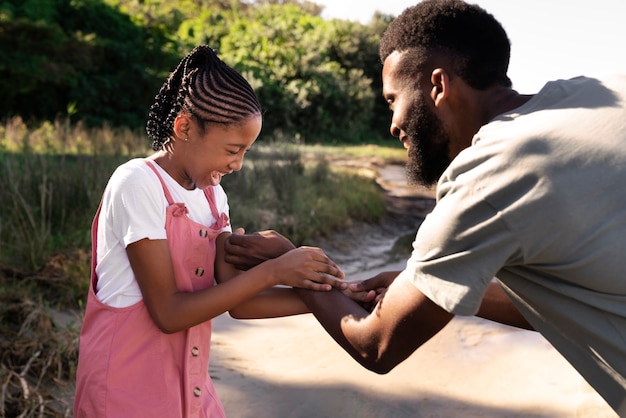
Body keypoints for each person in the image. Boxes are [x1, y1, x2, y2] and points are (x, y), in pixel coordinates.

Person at [224, 0, 626, 414]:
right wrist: (428, 283)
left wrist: (295, 265)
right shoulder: (603, 92)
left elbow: (376, 343)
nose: (393, 124)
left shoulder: (487, 179)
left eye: (392, 98)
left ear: (437, 85)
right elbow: (576, 287)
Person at [73, 45, 346, 418]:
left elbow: (241, 303)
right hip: (125, 390)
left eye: (246, 151)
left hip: (188, 391)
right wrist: (274, 272)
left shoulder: (214, 196)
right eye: (233, 150)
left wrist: (331, 298)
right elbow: (168, 312)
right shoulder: (137, 182)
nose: (238, 165)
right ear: (184, 127)